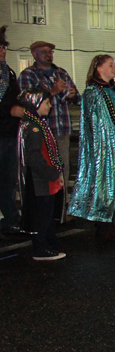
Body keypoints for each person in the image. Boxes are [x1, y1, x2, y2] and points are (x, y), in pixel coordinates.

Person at [68, 55, 115, 241]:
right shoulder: (92, 92)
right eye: (110, 65)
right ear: (99, 69)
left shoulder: (114, 90)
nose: (114, 68)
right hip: (103, 149)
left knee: (112, 185)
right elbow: (98, 124)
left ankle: (111, 223)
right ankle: (104, 226)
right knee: (104, 186)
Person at [18, 41, 81, 221]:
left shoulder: (60, 72)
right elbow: (29, 101)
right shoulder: (29, 74)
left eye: (51, 51)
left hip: (61, 129)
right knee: (43, 172)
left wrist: (72, 95)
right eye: (44, 52)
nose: (49, 55)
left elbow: (77, 97)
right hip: (42, 130)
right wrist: (53, 92)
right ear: (34, 54)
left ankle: (60, 211)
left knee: (63, 169)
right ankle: (45, 214)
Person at [17, 89, 65, 260]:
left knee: (47, 214)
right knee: (43, 215)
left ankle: (50, 242)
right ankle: (41, 247)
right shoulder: (35, 127)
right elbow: (34, 156)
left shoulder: (36, 123)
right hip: (41, 180)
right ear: (36, 105)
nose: (50, 105)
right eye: (46, 103)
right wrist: (52, 173)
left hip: (43, 179)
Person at [0, 26, 23, 235]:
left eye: (4, 47)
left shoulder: (8, 72)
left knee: (8, 180)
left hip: (9, 133)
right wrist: (9, 109)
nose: (3, 51)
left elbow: (15, 97)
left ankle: (11, 217)